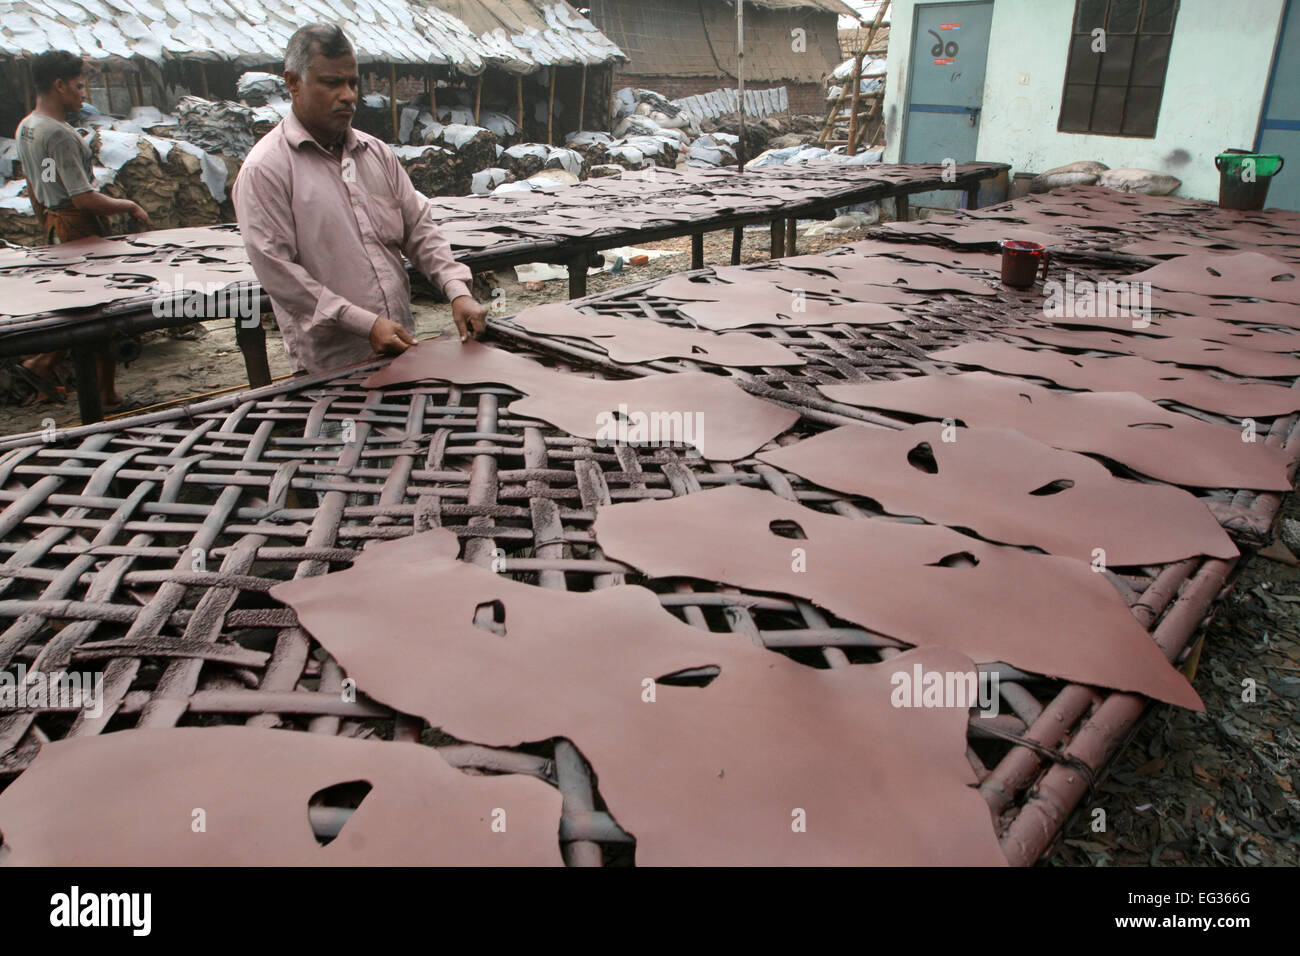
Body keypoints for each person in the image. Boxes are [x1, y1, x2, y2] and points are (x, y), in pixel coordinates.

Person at [233, 24, 487, 377]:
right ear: (293, 82)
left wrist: (457, 290)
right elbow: (280, 274)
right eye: (332, 83)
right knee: (343, 432)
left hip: (399, 346)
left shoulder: (375, 154)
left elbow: (418, 229)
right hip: (331, 367)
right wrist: (363, 323)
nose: (349, 95)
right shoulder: (267, 170)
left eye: (353, 83)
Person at [15, 50, 152, 409]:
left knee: (79, 307)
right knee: (106, 311)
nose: (83, 93)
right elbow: (83, 198)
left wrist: (49, 223)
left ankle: (47, 368)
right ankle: (97, 391)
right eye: (78, 85)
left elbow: (38, 184)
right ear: (59, 85)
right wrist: (129, 205)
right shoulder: (59, 135)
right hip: (76, 228)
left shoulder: (27, 127)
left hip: (53, 224)